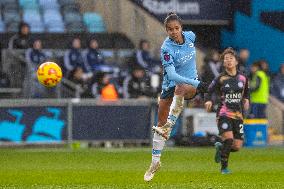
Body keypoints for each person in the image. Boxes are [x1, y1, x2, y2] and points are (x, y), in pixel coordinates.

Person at [144, 12, 208, 182]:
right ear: (166, 30)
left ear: (182, 28)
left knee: (180, 88)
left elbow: (182, 80)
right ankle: (155, 162)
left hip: (188, 85)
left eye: (176, 28)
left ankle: (170, 124)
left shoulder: (190, 37)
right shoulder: (166, 49)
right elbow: (172, 75)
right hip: (170, 86)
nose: (174, 32)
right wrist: (198, 84)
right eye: (170, 29)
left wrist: (196, 83)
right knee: (160, 124)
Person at [204, 47, 249, 174]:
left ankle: (221, 147)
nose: (228, 61)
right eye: (226, 59)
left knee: (237, 146)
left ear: (236, 62)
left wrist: (246, 99)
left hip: (238, 114)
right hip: (224, 113)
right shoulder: (220, 78)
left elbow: (246, 93)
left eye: (231, 58)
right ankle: (224, 168)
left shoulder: (243, 78)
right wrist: (209, 100)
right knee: (229, 139)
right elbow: (209, 90)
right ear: (223, 62)